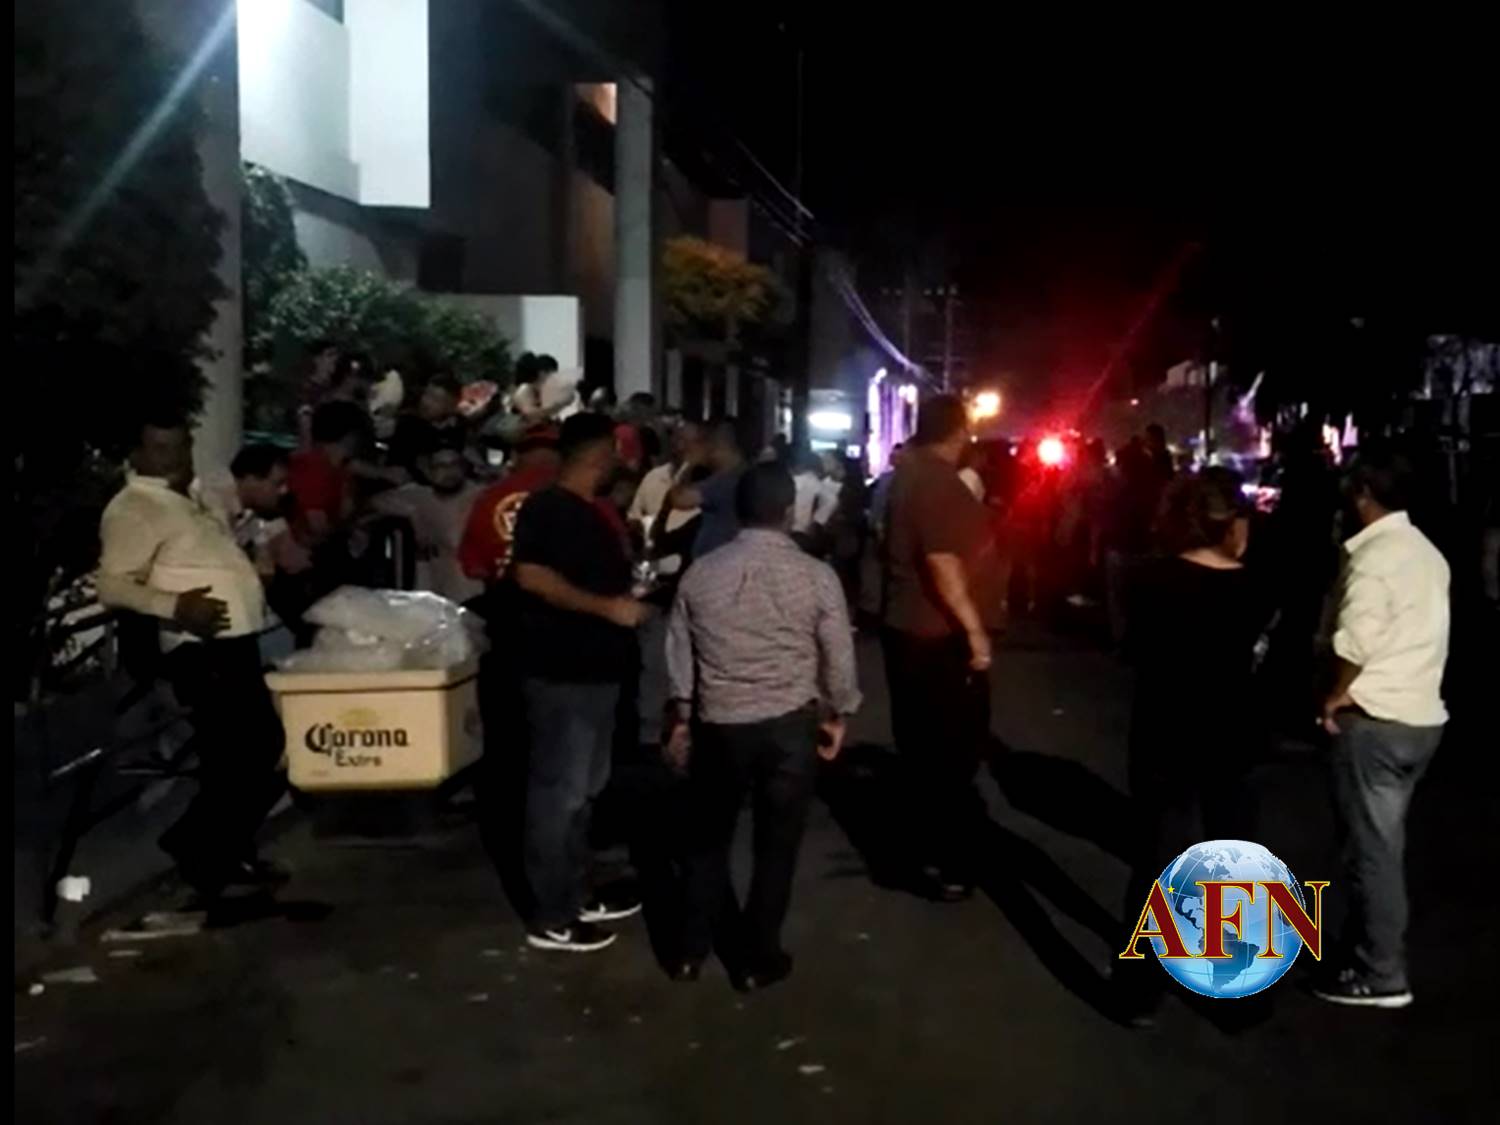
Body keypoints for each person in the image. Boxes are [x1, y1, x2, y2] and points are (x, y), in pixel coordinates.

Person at [665, 463, 861, 989]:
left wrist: (682, 715)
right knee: (776, 845)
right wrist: (839, 711)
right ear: (789, 511)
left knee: (707, 840)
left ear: (739, 510)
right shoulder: (815, 576)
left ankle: (689, 952)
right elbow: (838, 656)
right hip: (788, 725)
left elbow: (680, 654)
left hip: (720, 722)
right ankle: (756, 958)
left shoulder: (702, 573)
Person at [96, 415, 287, 900]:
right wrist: (174, 606)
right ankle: (203, 853)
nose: (175, 458)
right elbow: (112, 584)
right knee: (241, 752)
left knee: (252, 750)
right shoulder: (135, 508)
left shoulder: (189, 499)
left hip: (232, 642)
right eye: (161, 448)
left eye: (180, 447)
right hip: (199, 648)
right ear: (137, 454)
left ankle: (213, 849)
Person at [1112, 469, 1267, 1024]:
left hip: (1164, 730)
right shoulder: (1256, 587)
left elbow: (1131, 648)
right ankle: (1239, 993)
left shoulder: (1148, 580)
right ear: (1232, 525)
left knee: (1158, 859)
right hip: (1233, 732)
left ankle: (1139, 989)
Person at [1312, 445, 1449, 1010]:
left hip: (1376, 719)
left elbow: (1356, 641)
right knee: (1380, 844)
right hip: (1420, 714)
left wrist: (1334, 695)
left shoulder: (1374, 557)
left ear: (1364, 494)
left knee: (1373, 851)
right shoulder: (1426, 553)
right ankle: (1365, 948)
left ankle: (1380, 970)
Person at [510, 413, 648, 952]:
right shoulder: (547, 508)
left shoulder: (593, 510)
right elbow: (531, 575)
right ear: (599, 454)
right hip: (562, 672)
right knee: (559, 795)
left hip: (597, 672)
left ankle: (575, 892)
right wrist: (606, 608)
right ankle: (552, 914)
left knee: (583, 792)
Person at [880, 395, 994, 901]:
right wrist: (974, 630)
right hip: (935, 636)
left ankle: (924, 850)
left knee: (923, 750)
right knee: (949, 754)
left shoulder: (908, 475)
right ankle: (947, 861)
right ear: (958, 431)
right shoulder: (935, 482)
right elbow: (943, 563)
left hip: (911, 630)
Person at [371, 440, 483, 604]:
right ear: (428, 471)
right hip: (432, 588)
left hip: (469, 588)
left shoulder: (479, 496)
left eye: (454, 465)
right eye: (441, 466)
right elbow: (375, 502)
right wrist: (412, 513)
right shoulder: (419, 496)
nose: (449, 472)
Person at [667, 421, 745, 559]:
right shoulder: (743, 474)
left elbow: (679, 499)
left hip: (718, 560)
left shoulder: (724, 481)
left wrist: (686, 465)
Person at [386, 373, 465, 480]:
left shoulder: (457, 426)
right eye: (426, 394)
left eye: (435, 399)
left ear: (451, 406)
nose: (426, 402)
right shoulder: (409, 424)